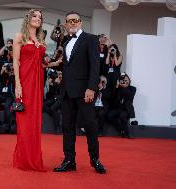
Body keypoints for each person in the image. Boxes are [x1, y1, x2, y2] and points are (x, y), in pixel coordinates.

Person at [53, 11, 106, 174]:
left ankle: (95, 159)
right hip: (67, 92)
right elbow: (69, 66)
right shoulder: (66, 40)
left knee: (90, 126)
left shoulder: (90, 38)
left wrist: (91, 88)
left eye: (76, 20)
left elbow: (95, 65)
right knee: (67, 127)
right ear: (66, 24)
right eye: (69, 21)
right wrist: (51, 64)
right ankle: (69, 160)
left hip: (85, 92)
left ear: (81, 22)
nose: (73, 23)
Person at [13, 9, 46, 171]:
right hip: (25, 82)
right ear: (28, 18)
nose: (38, 19)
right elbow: (16, 62)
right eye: (35, 16)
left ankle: (34, 158)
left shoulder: (40, 38)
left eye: (40, 17)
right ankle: (24, 160)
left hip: (38, 83)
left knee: (35, 121)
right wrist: (17, 84)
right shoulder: (20, 37)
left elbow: (40, 62)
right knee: (25, 121)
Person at [108, 73, 136, 139]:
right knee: (109, 115)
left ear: (129, 80)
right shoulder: (118, 88)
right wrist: (116, 87)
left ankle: (128, 133)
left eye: (126, 80)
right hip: (119, 108)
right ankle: (121, 130)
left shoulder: (132, 88)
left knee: (122, 116)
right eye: (123, 80)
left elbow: (130, 97)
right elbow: (112, 97)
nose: (125, 82)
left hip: (127, 109)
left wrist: (125, 87)